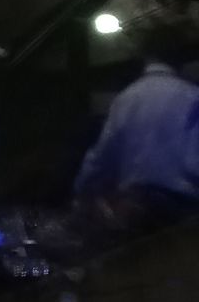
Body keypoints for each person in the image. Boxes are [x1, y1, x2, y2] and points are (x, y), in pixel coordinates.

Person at [73, 24, 199, 229]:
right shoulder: (193, 96)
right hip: (187, 214)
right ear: (181, 57)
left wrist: (81, 192)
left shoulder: (126, 99)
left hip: (135, 214)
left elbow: (102, 157)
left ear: (146, 56)